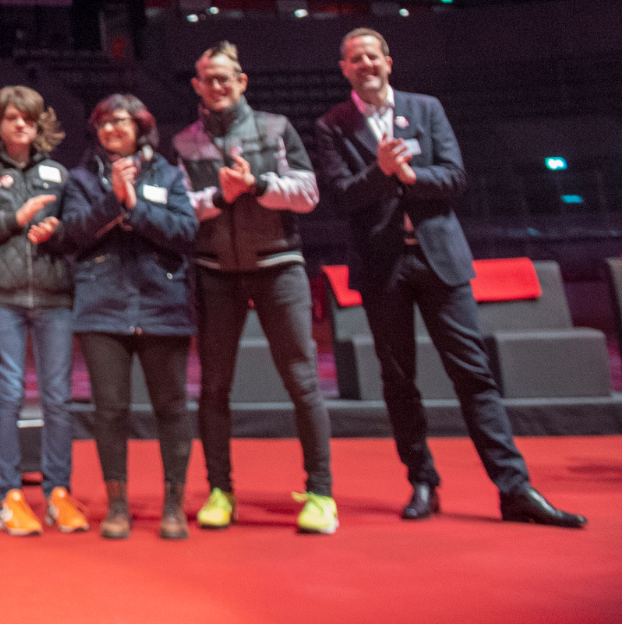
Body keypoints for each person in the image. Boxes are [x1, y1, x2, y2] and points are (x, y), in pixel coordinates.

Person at [316, 28, 586, 529]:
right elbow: (341, 197)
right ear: (344, 69)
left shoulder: (426, 108)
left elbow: (456, 177)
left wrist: (412, 178)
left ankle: (514, 488)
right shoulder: (332, 125)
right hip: (383, 266)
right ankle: (423, 482)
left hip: (440, 259)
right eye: (355, 59)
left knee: (474, 375)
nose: (366, 64)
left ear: (388, 62)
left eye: (372, 56)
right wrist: (381, 171)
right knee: (399, 381)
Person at [171, 42, 335, 536]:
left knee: (302, 381)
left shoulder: (276, 127)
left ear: (242, 82)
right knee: (215, 387)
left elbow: (308, 193)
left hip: (279, 265)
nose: (217, 86)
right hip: (214, 270)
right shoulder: (183, 142)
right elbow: (182, 208)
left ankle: (321, 493)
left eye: (225, 78)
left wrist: (259, 186)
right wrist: (223, 196)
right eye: (207, 79)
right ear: (197, 85)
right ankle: (220, 490)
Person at [52, 94, 197, 541]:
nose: (112, 129)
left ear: (141, 128)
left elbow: (186, 232)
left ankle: (174, 504)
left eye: (121, 122)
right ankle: (117, 505)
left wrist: (135, 206)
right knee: (110, 411)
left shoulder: (170, 175)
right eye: (103, 123)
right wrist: (115, 202)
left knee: (171, 409)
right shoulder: (79, 179)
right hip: (102, 308)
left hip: (163, 305)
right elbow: (72, 232)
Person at [0, 85, 84, 536]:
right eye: (13, 118)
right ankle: (9, 495)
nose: (21, 125)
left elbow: (77, 231)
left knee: (58, 397)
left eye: (29, 120)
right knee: (11, 393)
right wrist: (16, 220)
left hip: (55, 296)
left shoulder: (59, 174)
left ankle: (58, 491)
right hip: (4, 296)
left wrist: (57, 231)